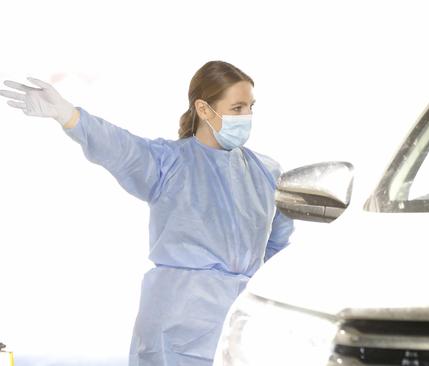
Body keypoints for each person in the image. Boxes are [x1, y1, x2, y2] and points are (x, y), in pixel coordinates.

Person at [0, 61, 294, 366]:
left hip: (240, 321)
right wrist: (68, 115)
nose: (246, 116)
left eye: (250, 107)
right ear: (205, 110)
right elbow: (119, 147)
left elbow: (279, 244)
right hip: (178, 322)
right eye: (236, 108)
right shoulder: (169, 163)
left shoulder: (266, 172)